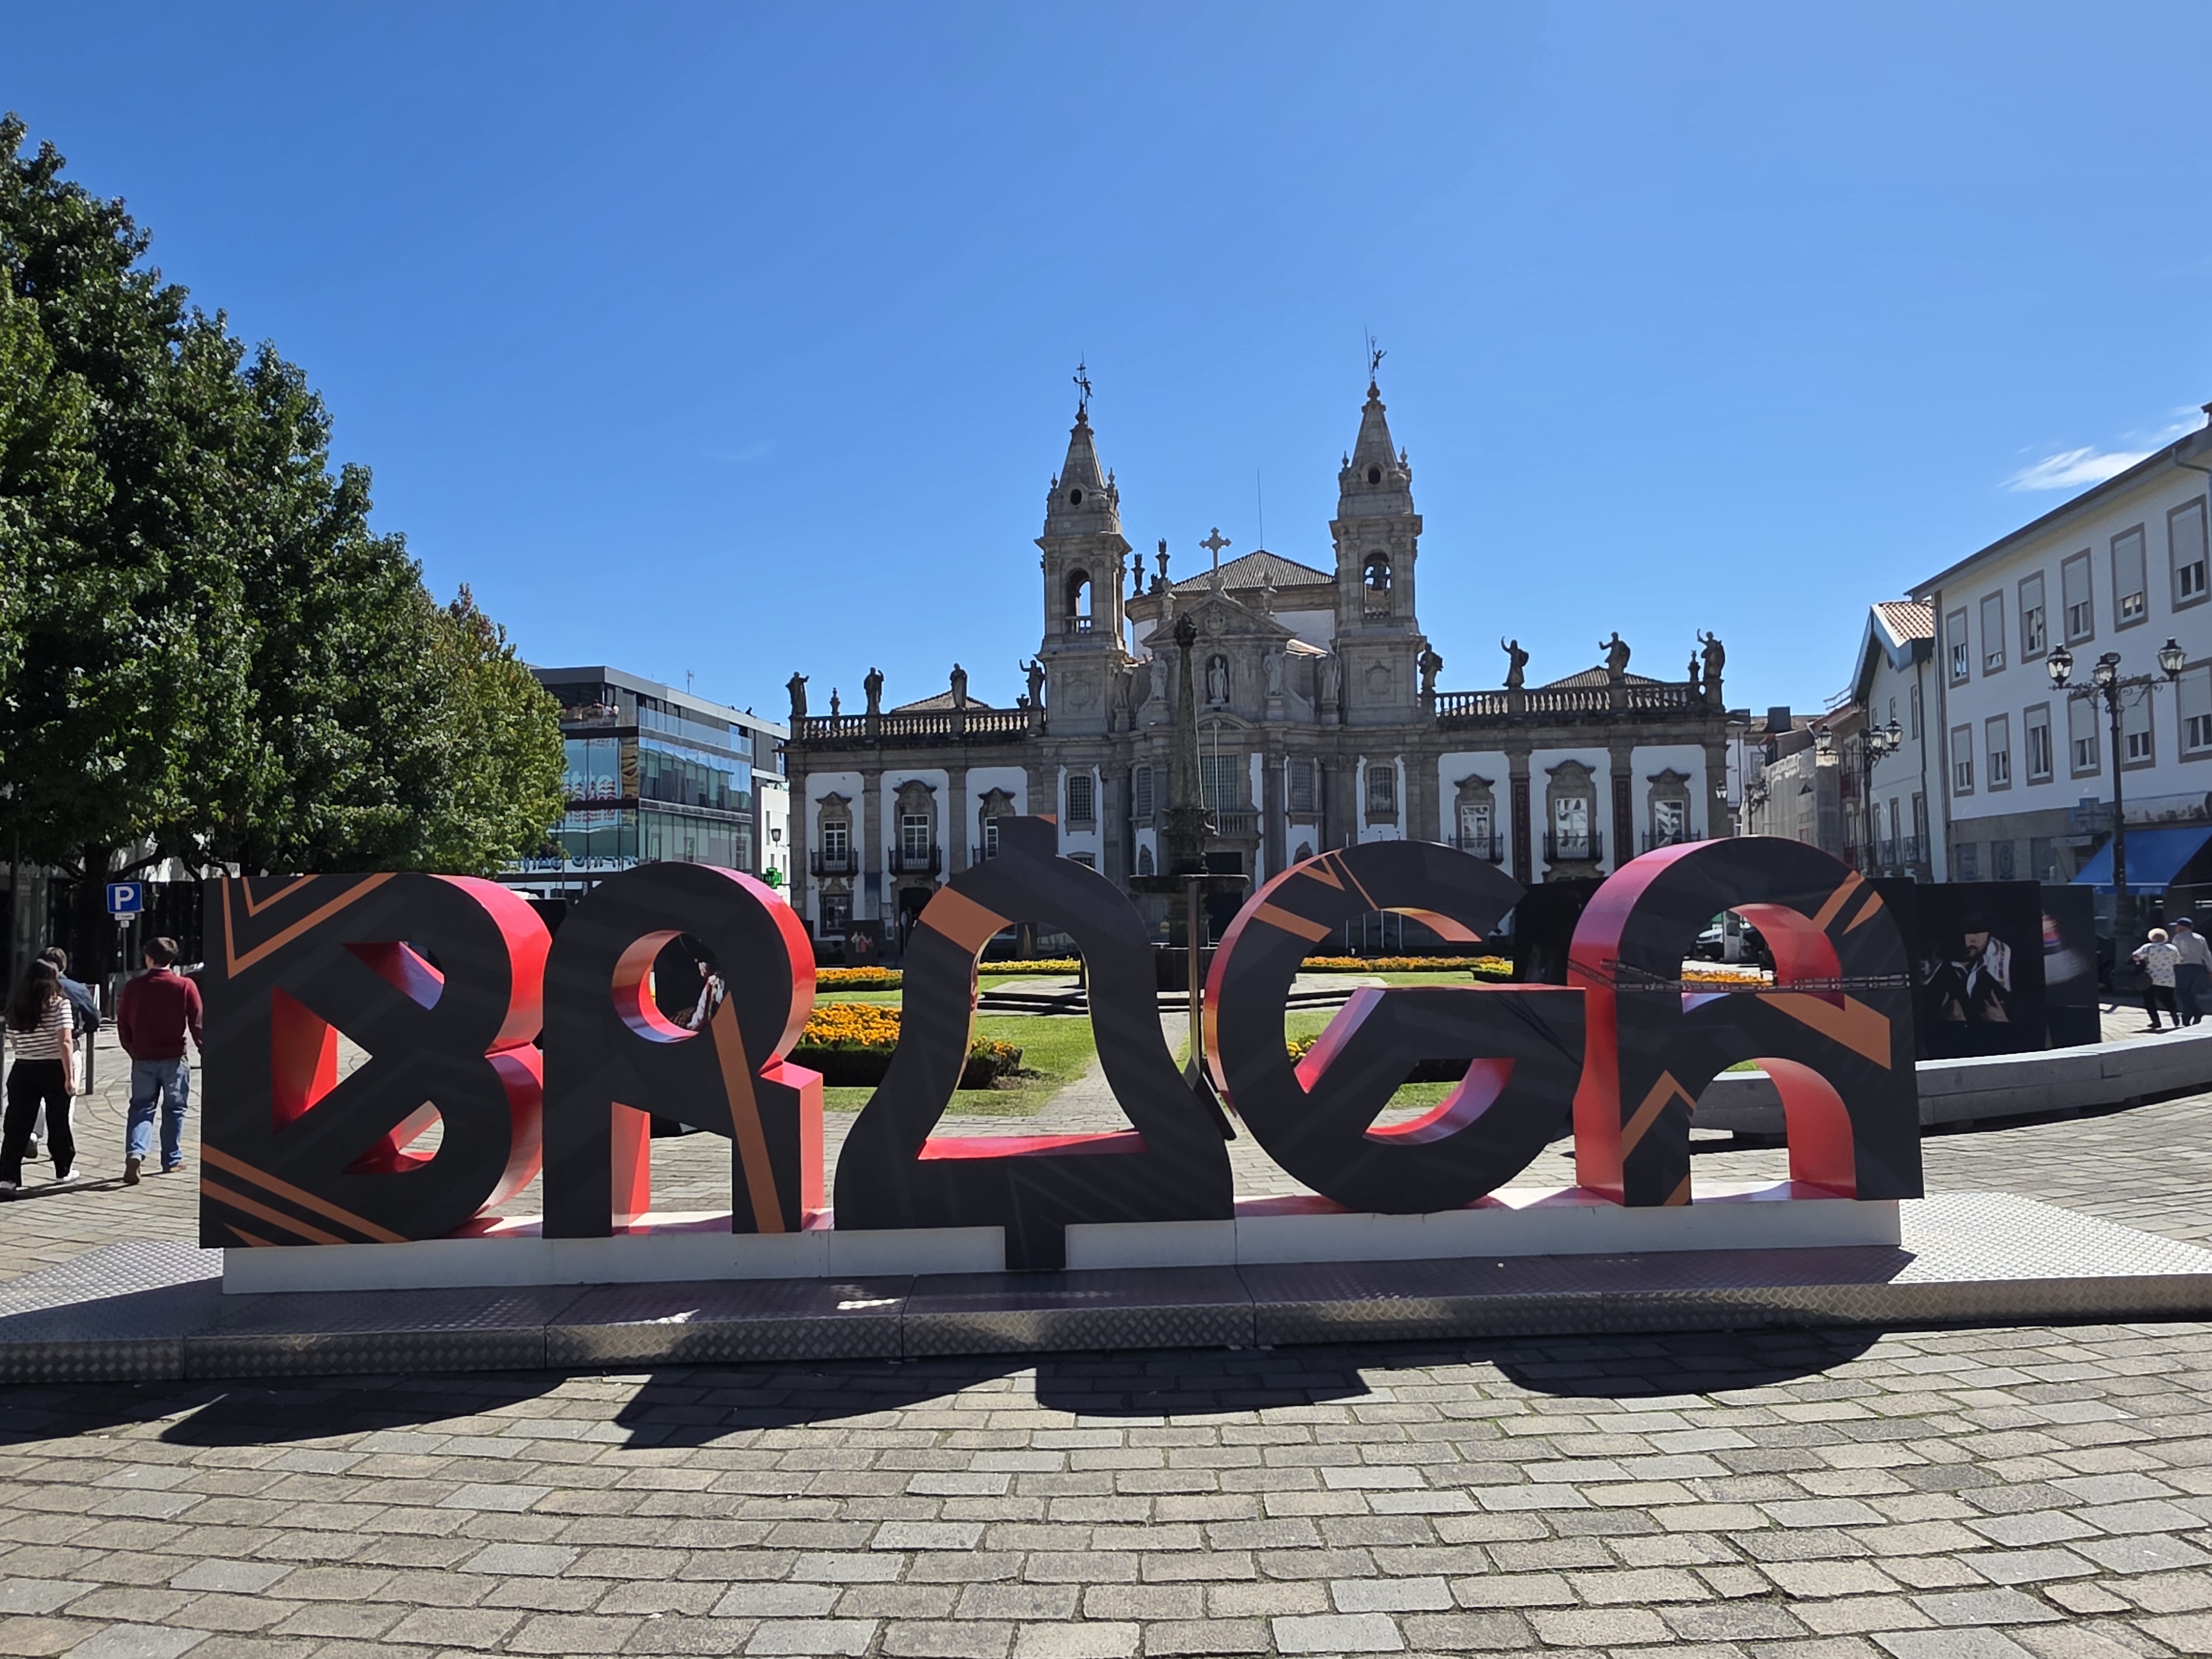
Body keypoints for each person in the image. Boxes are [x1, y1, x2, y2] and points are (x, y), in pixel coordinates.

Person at [115, 936, 203, 1183]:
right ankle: (171, 1159)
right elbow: (197, 1023)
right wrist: (203, 1049)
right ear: (172, 959)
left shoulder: (134, 987)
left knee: (141, 1107)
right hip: (174, 1057)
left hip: (143, 1057)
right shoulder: (184, 986)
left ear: (148, 958)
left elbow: (122, 1020)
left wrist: (130, 1047)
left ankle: (136, 1152)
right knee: (175, 1108)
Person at [1, 960, 79, 1193]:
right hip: (54, 1067)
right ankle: (63, 1170)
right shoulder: (59, 1004)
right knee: (58, 1120)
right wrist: (69, 1076)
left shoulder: (17, 1005)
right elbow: (65, 1041)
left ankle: (8, 1177)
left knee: (16, 1124)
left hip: (24, 1067)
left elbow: (13, 1040)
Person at [26, 948, 98, 1162]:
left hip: (33, 1049)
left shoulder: (27, 989)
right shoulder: (75, 989)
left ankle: (33, 1134)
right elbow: (93, 1018)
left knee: (36, 1095)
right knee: (67, 1095)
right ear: (64, 966)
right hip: (67, 1046)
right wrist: (83, 1030)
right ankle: (60, 1145)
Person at [2132, 928, 2180, 1032]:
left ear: (2152, 937)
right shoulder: (2172, 948)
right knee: (2168, 999)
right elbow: (2179, 961)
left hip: (2151, 979)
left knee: (2150, 1001)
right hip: (2168, 978)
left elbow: (2136, 956)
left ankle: (2156, 1021)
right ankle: (2174, 1014)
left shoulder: (2148, 947)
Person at [2172, 919, 2211, 1027]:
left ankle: (2196, 1011)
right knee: (2191, 993)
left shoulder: (2178, 938)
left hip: (2183, 967)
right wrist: (2211, 969)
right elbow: (2207, 955)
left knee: (2181, 992)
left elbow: (2175, 953)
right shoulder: (2200, 938)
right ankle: (2187, 1018)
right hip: (2198, 967)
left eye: (2177, 926)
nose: (2175, 929)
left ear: (2182, 927)